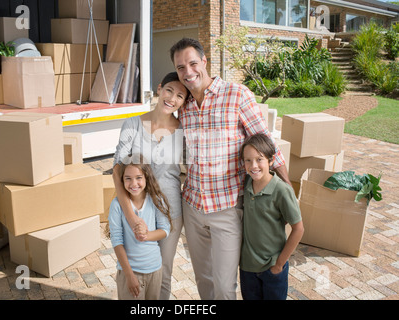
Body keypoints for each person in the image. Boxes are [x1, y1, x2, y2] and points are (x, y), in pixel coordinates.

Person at [169, 37, 291, 300]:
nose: (188, 72)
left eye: (192, 63)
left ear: (204, 61)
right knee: (204, 281)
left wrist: (287, 190)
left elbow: (266, 144)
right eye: (181, 68)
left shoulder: (236, 94)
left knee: (224, 287)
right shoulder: (185, 106)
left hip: (227, 208)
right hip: (192, 206)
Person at [112, 72, 188, 299]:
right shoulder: (133, 124)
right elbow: (117, 171)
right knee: (133, 270)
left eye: (180, 96)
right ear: (159, 89)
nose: (172, 99)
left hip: (170, 210)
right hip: (134, 209)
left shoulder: (184, 130)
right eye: (169, 91)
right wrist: (132, 217)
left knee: (162, 272)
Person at [239, 133, 304, 300]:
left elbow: (298, 228)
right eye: (248, 160)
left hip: (273, 268)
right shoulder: (246, 184)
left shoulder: (281, 191)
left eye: (259, 159)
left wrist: (280, 264)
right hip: (248, 268)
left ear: (271, 160)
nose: (254, 165)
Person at [108, 157, 172, 300]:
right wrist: (129, 275)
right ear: (122, 181)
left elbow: (165, 230)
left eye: (138, 178)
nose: (134, 183)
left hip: (155, 270)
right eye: (128, 178)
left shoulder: (156, 200)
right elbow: (117, 241)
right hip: (130, 272)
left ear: (146, 178)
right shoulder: (117, 205)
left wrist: (146, 235)